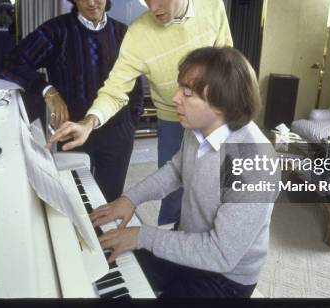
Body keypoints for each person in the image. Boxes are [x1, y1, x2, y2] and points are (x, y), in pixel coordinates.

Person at [46, 0, 234, 225]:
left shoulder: (213, 6)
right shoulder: (138, 34)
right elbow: (115, 89)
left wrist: (225, 113)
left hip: (215, 115)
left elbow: (227, 63)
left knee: (215, 187)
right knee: (173, 190)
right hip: (173, 120)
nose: (152, 7)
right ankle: (170, 256)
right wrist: (89, 122)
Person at [87, 47, 280, 298]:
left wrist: (142, 235)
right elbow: (177, 170)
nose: (175, 98)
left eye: (187, 93)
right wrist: (130, 199)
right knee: (110, 261)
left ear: (221, 103)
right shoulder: (197, 126)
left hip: (226, 279)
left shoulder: (255, 162)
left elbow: (220, 254)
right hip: (188, 243)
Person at [0, 0, 143, 202]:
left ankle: (103, 241)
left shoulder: (123, 33)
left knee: (109, 198)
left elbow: (135, 82)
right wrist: (47, 90)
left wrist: (132, 121)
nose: (90, 1)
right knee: (76, 197)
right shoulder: (56, 31)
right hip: (72, 129)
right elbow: (11, 63)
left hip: (117, 132)